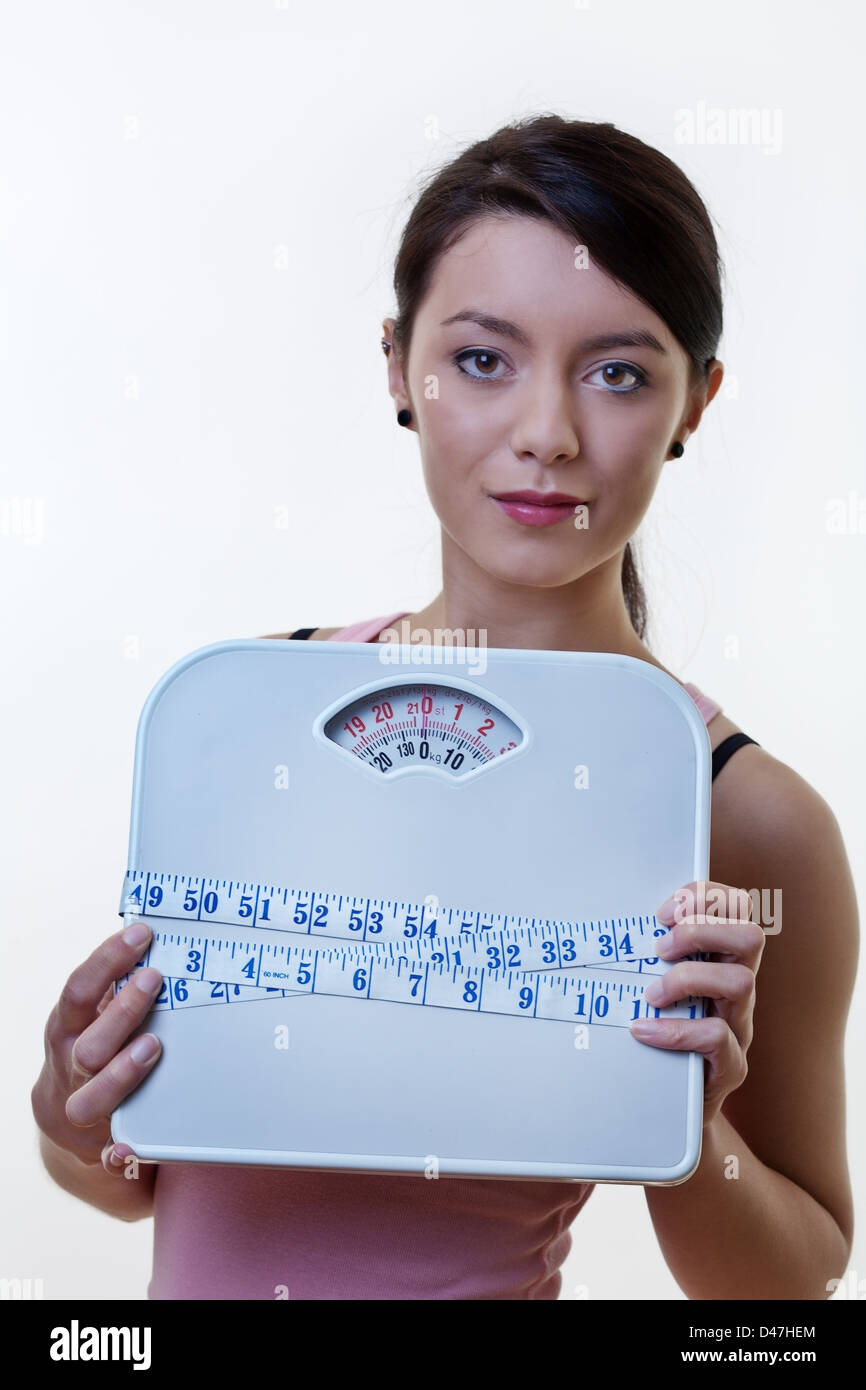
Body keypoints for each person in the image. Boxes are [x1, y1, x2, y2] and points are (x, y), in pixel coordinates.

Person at [32, 114, 857, 1300]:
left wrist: (686, 1122)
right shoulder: (246, 712)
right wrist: (76, 1107)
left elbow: (784, 1291)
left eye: (617, 372)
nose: (545, 436)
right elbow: (130, 1177)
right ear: (396, 367)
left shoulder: (749, 816)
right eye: (481, 358)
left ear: (695, 402)